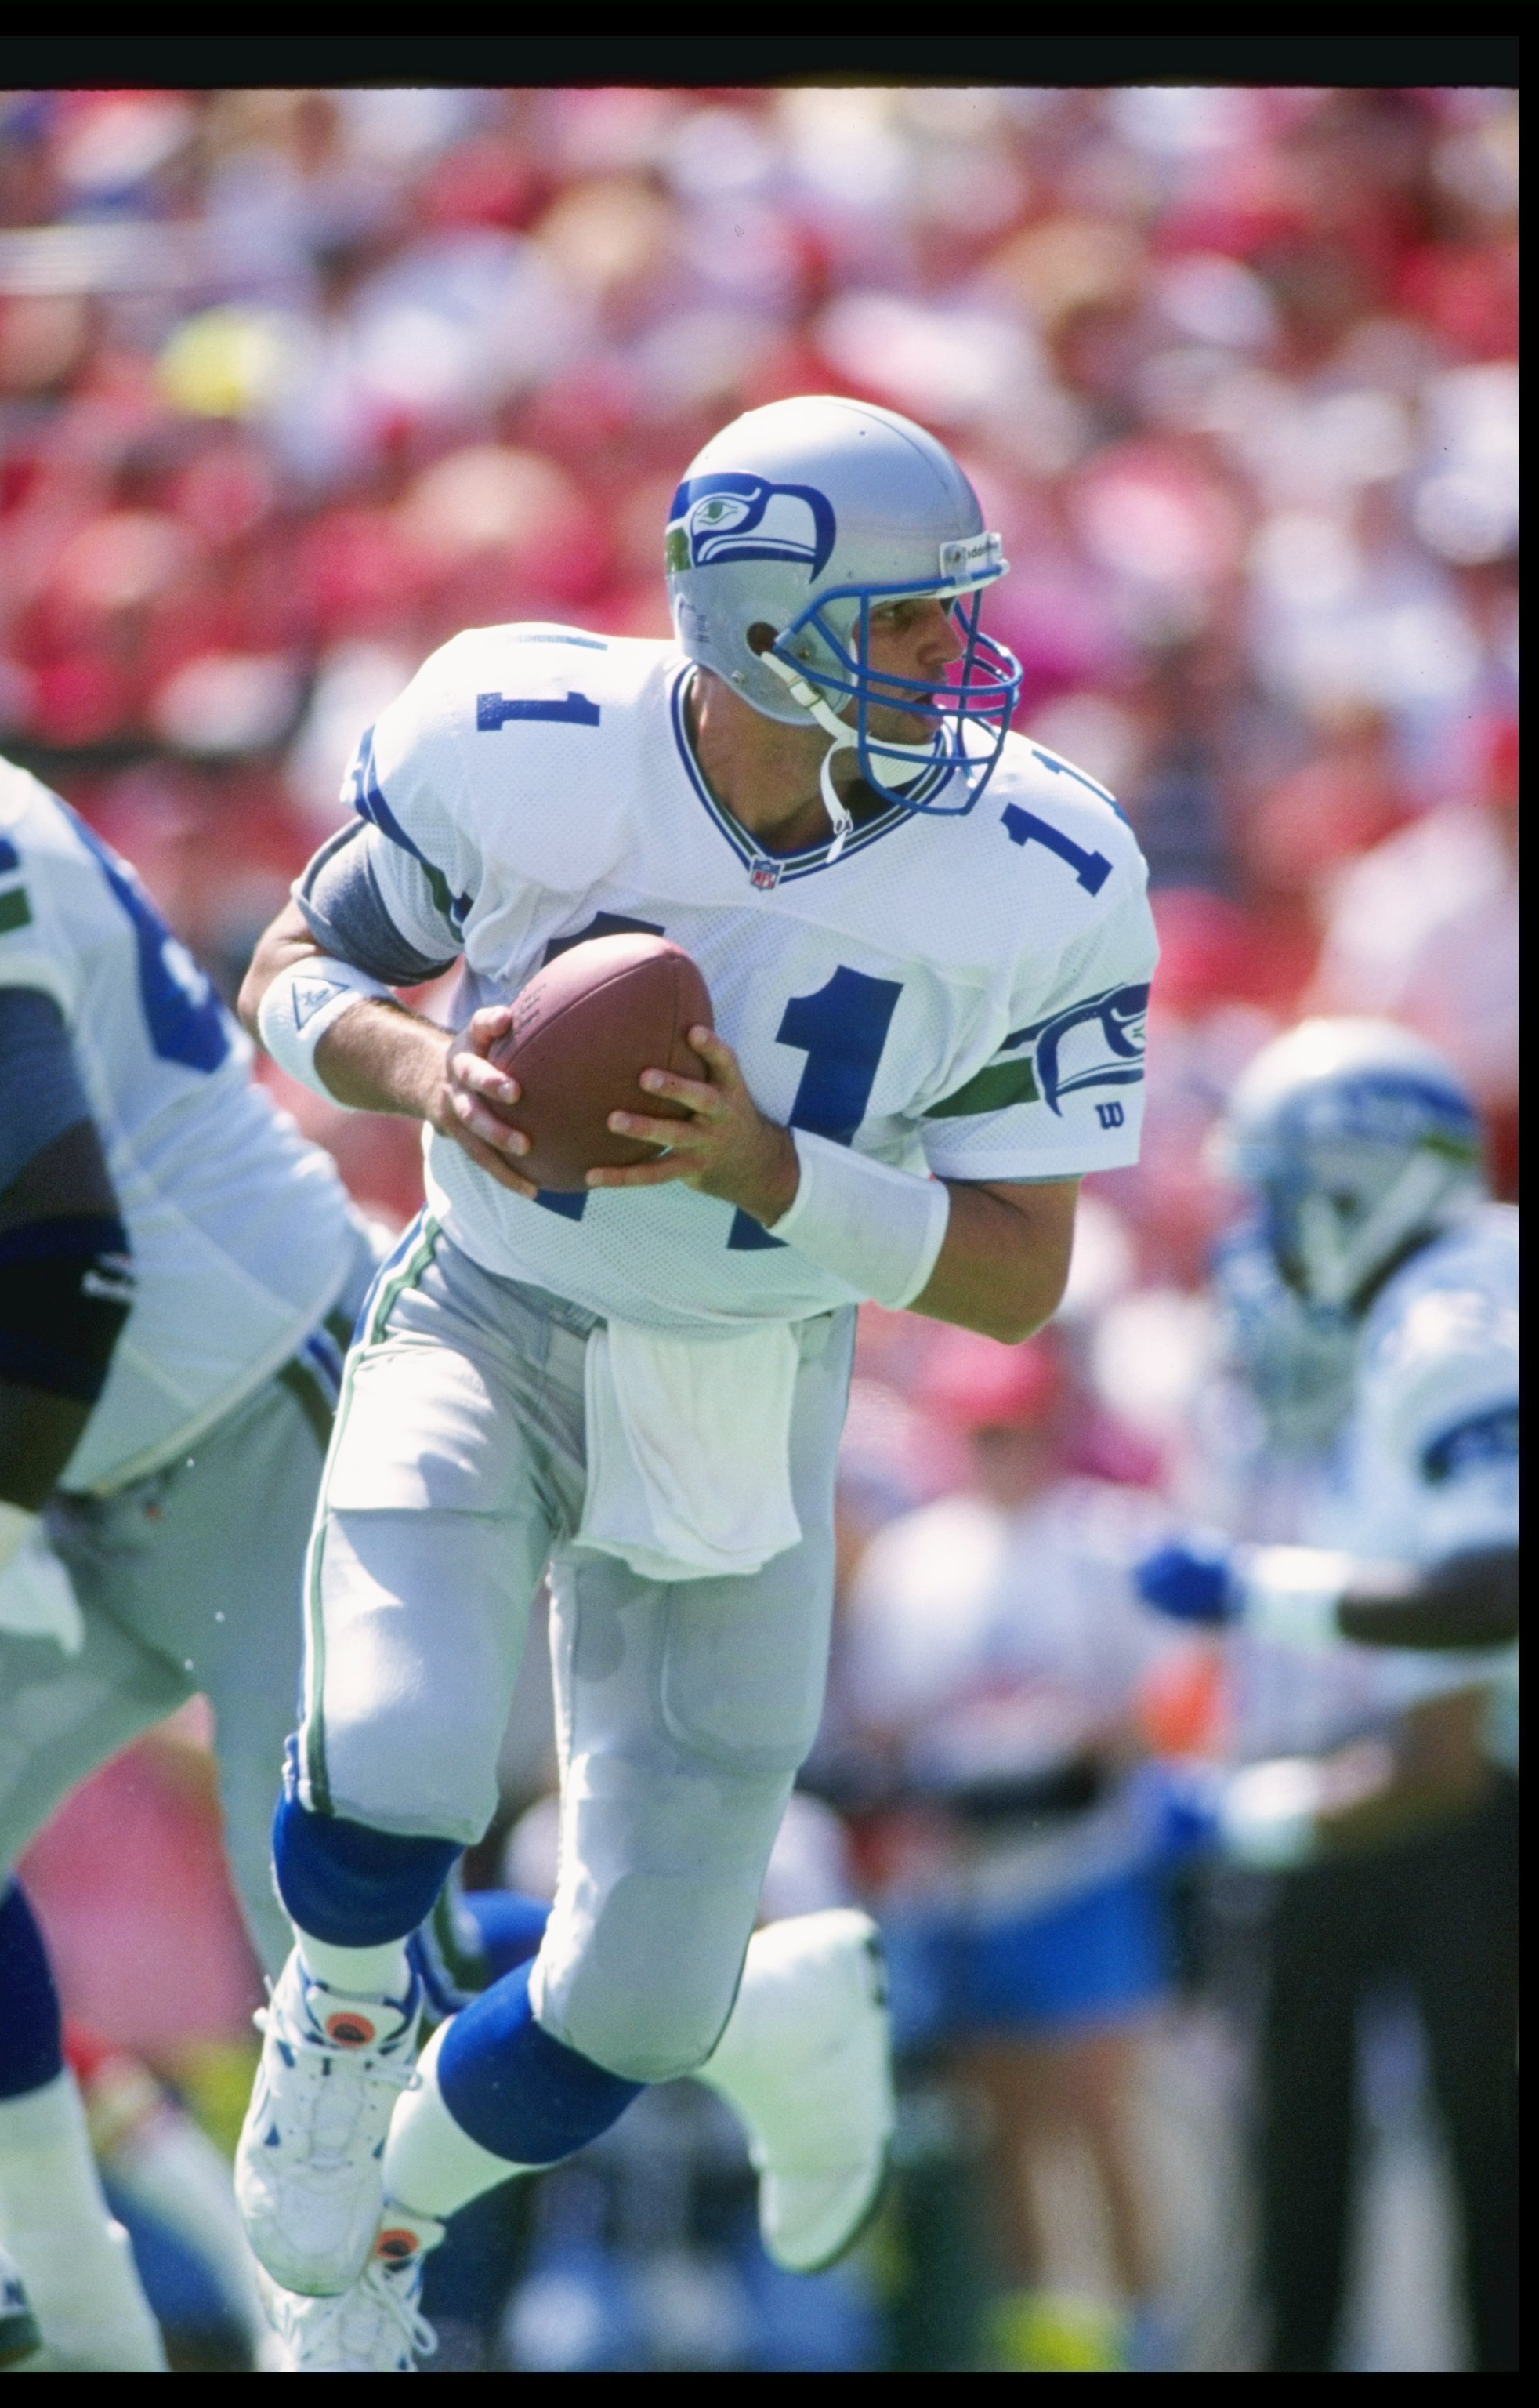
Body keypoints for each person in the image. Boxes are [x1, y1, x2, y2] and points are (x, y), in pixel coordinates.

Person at [228, 391, 1159, 2369]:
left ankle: (381, 2226)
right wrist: (422, 1071)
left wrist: (765, 1167)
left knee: (643, 2003)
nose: (956, 664)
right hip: (488, 1309)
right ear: (753, 622)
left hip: (748, 1382)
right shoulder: (524, 738)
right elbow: (296, 970)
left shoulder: (1044, 861)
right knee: (396, 1754)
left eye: (951, 618)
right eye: (904, 623)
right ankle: (324, 2019)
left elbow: (1013, 1282)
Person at [0, 742, 379, 2369]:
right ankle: (62, 2307)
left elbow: (66, 1266)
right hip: (63, 1445)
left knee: (343, 1994)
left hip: (255, 1402)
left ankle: (741, 2010)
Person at [1137, 1018, 1517, 2370]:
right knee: (1311, 2167)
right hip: (1410, 1777)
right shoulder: (1437, 1307)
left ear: (1365, 1184)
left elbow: (1495, 1591)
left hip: (1448, 1804)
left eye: (1287, 1193)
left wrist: (1255, 1592)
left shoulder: (1454, 1319)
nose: (1267, 1234)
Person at [840, 1327, 1181, 2372]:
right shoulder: (915, 1560)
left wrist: (1074, 1751)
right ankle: (1043, 2341)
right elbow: (887, 1726)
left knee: (1099, 2120)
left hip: (1083, 1870)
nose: (1004, 1450)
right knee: (1008, 2134)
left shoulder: (1108, 1540)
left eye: (1020, 1429)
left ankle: (1149, 2336)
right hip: (969, 1881)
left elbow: (1157, 1707)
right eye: (985, 1430)